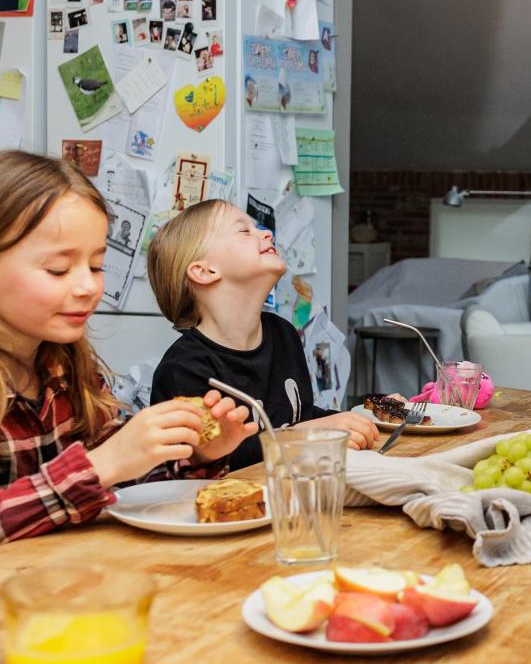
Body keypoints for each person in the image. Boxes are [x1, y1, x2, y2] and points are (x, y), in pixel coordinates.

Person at [0, 152, 252, 591]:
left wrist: (194, 454)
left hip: (37, 598)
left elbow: (123, 479)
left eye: (96, 266)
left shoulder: (65, 371)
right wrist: (99, 466)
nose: (88, 286)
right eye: (59, 269)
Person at [145, 200, 377, 470]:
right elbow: (212, 460)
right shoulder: (184, 368)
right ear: (205, 271)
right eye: (244, 231)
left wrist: (363, 418)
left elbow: (299, 417)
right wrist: (308, 434)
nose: (266, 233)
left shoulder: (283, 334)